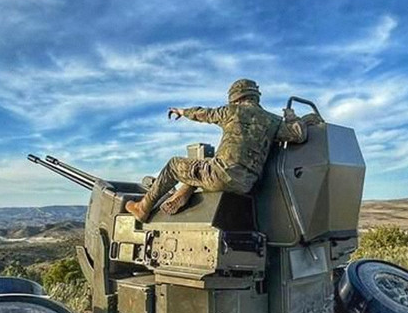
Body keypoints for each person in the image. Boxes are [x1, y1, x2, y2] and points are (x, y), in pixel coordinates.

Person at [125, 78, 308, 222]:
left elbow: (203, 114)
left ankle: (142, 208)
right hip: (246, 184)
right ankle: (181, 195)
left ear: (235, 97)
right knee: (202, 166)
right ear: (255, 96)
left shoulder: (231, 111)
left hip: (219, 176)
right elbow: (299, 134)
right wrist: (291, 116)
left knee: (174, 165)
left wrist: (182, 111)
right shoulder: (273, 121)